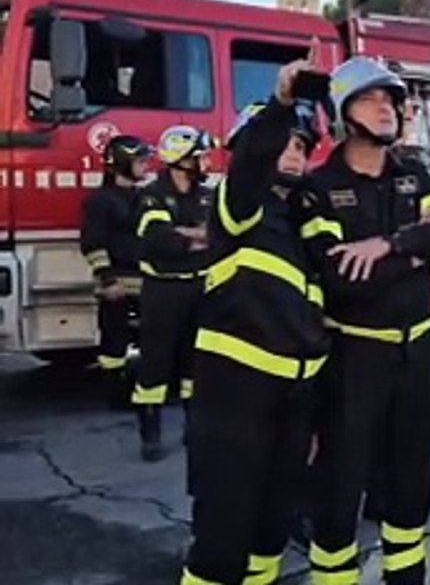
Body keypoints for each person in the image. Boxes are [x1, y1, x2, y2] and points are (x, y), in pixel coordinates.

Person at [305, 57, 430, 585]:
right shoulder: (319, 188)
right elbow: (346, 281)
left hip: (419, 355)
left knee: (413, 479)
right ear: (342, 111)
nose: (387, 108)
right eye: (372, 99)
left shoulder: (413, 174)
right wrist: (420, 254)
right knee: (339, 486)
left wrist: (389, 245)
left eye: (392, 100)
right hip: (354, 360)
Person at [180, 61, 329, 585]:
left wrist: (311, 419)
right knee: (222, 544)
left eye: (302, 146)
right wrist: (281, 104)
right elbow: (248, 167)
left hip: (292, 406)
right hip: (232, 404)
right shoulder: (239, 207)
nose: (294, 152)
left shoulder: (305, 222)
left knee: (271, 535)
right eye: (284, 143)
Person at [131, 125, 215, 462]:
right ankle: (150, 434)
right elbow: (158, 239)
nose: (206, 161)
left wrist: (188, 235)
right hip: (163, 292)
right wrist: (197, 236)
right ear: (181, 160)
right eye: (200, 156)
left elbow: (219, 236)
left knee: (196, 365)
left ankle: (193, 429)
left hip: (200, 287)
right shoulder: (151, 195)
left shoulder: (208, 194)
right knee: (155, 364)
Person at [80, 135, 150, 409]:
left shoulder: (142, 198)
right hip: (117, 283)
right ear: (122, 163)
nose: (145, 166)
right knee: (114, 341)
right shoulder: (101, 201)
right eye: (140, 161)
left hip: (144, 281)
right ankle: (114, 393)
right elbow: (93, 243)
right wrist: (107, 279)